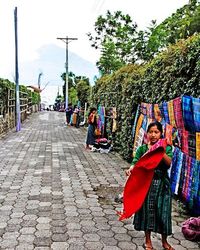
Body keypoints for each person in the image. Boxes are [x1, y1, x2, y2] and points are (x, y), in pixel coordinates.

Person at [125, 121, 174, 250]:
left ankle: (164, 241)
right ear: (147, 134)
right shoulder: (142, 149)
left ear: (161, 134)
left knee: (164, 213)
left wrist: (160, 150)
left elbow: (168, 163)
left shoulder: (166, 147)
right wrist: (131, 169)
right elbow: (135, 161)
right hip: (146, 185)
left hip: (163, 185)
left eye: (156, 132)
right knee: (148, 212)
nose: (153, 135)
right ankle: (148, 241)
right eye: (151, 132)